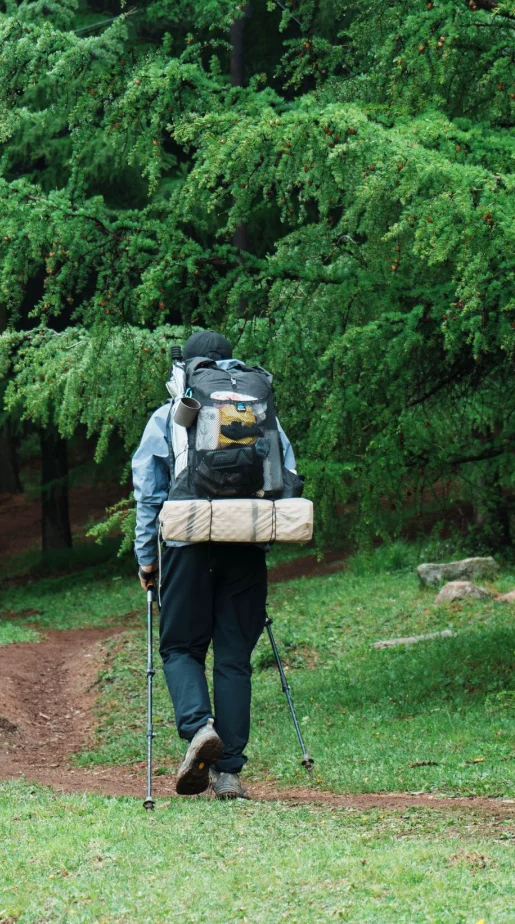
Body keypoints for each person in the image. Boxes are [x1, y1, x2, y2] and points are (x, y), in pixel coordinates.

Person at [132, 329, 297, 800]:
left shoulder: (170, 415)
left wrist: (148, 560)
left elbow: (149, 495)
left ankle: (198, 728)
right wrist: (260, 542)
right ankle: (229, 773)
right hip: (243, 542)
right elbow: (285, 476)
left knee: (181, 647)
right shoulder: (259, 410)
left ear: (188, 368)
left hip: (187, 542)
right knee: (233, 659)